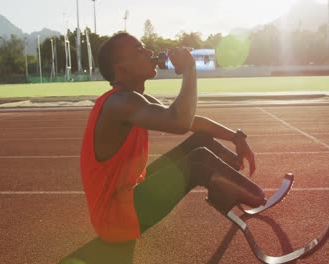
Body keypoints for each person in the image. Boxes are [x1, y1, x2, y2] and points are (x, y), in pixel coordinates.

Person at [80, 32, 266, 243]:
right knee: (199, 161)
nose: (149, 52)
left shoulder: (131, 99)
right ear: (120, 67)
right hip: (114, 220)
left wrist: (236, 137)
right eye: (139, 50)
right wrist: (189, 69)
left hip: (129, 195)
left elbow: (193, 122)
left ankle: (232, 186)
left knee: (200, 140)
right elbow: (179, 122)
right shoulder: (118, 103)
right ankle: (257, 197)